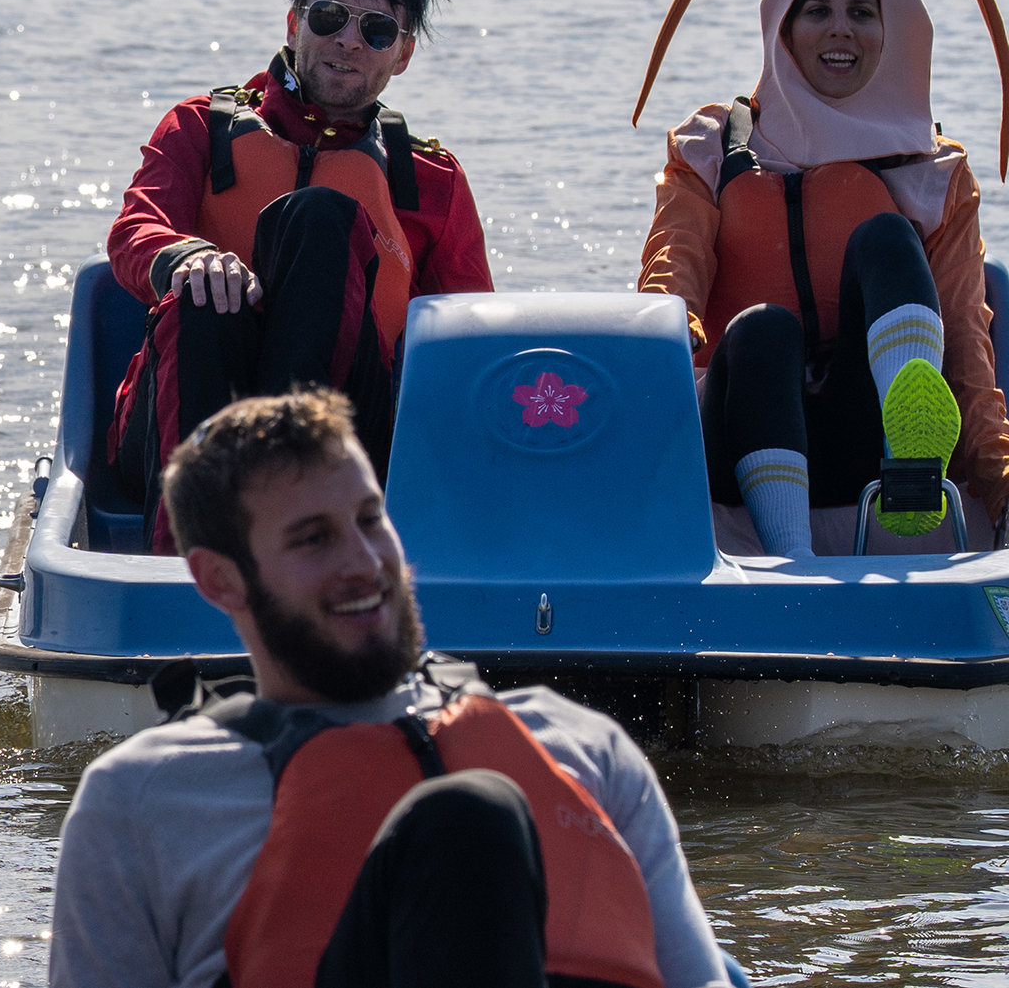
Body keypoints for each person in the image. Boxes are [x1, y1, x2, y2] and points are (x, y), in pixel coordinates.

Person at [50, 389, 732, 988]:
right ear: (219, 580)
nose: (365, 561)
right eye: (313, 538)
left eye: (372, 520)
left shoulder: (584, 746)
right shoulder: (142, 797)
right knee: (467, 819)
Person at [107, 0, 494, 552]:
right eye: (328, 17)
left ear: (403, 53)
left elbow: (469, 347)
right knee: (199, 298)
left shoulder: (433, 182)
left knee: (321, 222)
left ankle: (287, 531)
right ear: (294, 22)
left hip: (353, 441)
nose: (348, 41)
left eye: (375, 28)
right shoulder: (199, 127)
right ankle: (189, 560)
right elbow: (133, 233)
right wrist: (187, 257)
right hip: (183, 419)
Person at [633, 0, 1009, 558]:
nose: (840, 31)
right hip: (738, 420)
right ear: (784, 25)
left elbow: (967, 347)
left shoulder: (933, 175)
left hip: (862, 444)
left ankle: (913, 453)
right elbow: (668, 287)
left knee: (886, 238)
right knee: (765, 329)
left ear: (891, 29)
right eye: (818, 11)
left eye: (862, 11)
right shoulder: (709, 147)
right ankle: (791, 561)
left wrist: (1001, 481)